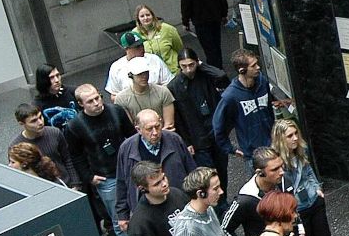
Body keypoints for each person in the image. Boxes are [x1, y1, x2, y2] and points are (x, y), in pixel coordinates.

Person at [67, 84, 136, 236]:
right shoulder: (75, 126)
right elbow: (76, 155)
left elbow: (132, 136)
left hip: (130, 170)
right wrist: (89, 177)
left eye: (98, 98)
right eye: (90, 101)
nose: (97, 103)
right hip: (106, 177)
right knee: (119, 218)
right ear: (81, 104)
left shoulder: (116, 111)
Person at [115, 110, 195, 233]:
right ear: (138, 129)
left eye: (158, 126)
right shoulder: (126, 148)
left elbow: (191, 171)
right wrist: (122, 214)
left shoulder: (174, 140)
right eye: (149, 129)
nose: (155, 133)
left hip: (178, 205)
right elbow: (122, 182)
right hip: (148, 210)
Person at [168, 47, 230, 196]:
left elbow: (221, 76)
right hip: (197, 138)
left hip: (215, 132)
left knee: (222, 170)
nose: (188, 69)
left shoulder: (205, 76)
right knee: (207, 176)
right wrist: (186, 141)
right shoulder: (174, 86)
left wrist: (203, 66)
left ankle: (223, 198)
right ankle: (215, 205)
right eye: (184, 66)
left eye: (191, 65)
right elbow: (178, 119)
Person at [213, 49, 278, 172]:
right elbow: (218, 126)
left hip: (273, 147)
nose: (258, 67)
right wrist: (231, 149)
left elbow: (269, 110)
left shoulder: (262, 81)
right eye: (253, 65)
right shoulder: (230, 96)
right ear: (242, 71)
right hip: (253, 156)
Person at [9, 103, 76, 185]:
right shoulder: (16, 146)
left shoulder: (55, 133)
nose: (40, 122)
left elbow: (67, 158)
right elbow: (17, 173)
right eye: (34, 121)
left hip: (65, 183)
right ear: (22, 124)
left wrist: (75, 182)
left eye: (40, 117)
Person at [114, 57, 175, 130]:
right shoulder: (122, 99)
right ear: (131, 75)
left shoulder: (163, 92)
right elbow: (129, 129)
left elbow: (169, 124)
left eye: (146, 73)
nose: (144, 76)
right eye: (139, 74)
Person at [105, 31, 172, 96]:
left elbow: (168, 83)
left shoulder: (154, 59)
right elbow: (114, 95)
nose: (142, 49)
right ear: (126, 49)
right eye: (137, 47)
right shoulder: (116, 67)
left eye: (142, 45)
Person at [135, 3, 184, 74]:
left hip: (173, 71)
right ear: (138, 19)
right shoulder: (135, 34)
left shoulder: (167, 29)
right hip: (153, 75)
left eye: (148, 15)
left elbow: (180, 49)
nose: (146, 18)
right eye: (142, 16)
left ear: (153, 16)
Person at [32, 64, 77, 130]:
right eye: (51, 77)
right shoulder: (37, 105)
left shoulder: (73, 92)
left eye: (57, 75)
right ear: (43, 80)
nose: (57, 80)